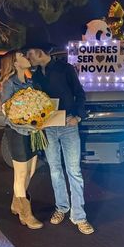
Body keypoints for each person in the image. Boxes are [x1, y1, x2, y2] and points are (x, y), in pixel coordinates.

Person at [24, 32, 94, 235]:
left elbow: (80, 94)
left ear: (39, 52)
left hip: (69, 125)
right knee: (55, 169)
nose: (28, 57)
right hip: (48, 128)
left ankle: (79, 216)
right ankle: (61, 207)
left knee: (74, 171)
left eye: (29, 53)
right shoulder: (35, 75)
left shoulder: (65, 69)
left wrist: (78, 117)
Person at [0, 50, 43, 230]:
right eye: (22, 56)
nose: (26, 58)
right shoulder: (9, 84)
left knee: (31, 170)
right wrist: (24, 116)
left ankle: (16, 203)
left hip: (32, 131)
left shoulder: (29, 82)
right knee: (21, 174)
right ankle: (26, 214)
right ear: (15, 63)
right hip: (17, 132)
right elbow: (7, 111)